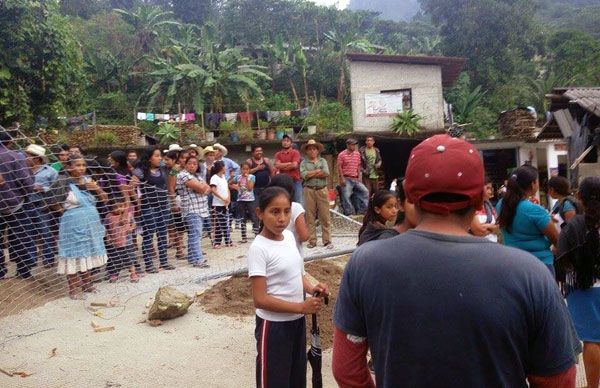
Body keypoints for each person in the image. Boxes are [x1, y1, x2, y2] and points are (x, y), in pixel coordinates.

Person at [332, 134, 580, 387]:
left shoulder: (365, 263)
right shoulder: (530, 273)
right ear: (478, 198)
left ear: (411, 197)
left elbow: (347, 371)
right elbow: (557, 379)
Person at [247, 186, 329, 388]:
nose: (282, 218)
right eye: (274, 212)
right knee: (274, 382)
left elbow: (297, 274)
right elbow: (260, 299)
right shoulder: (259, 248)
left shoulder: (290, 238)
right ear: (260, 213)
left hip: (297, 323)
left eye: (286, 211)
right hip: (274, 326)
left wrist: (313, 288)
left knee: (296, 379)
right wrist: (301, 307)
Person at [557, 176, 600, 388]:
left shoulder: (573, 225)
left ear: (580, 198)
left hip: (583, 289)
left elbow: (562, 256)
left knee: (592, 340)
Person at [55, 155, 108, 299]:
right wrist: (67, 213)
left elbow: (105, 199)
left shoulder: (89, 181)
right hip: (72, 224)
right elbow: (52, 202)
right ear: (69, 167)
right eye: (77, 165)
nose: (81, 168)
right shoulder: (63, 182)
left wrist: (97, 189)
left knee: (88, 252)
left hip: (91, 224)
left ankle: (87, 284)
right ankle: (73, 289)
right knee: (73, 254)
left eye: (83, 165)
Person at [497, 165, 559, 275]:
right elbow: (556, 240)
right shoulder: (534, 210)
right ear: (532, 184)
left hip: (512, 263)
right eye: (537, 181)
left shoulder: (501, 205)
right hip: (540, 264)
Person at [131, 147, 175, 273]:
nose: (160, 158)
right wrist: (138, 202)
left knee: (162, 235)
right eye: (156, 155)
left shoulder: (162, 169)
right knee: (148, 236)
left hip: (163, 206)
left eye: (160, 155)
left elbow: (173, 175)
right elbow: (130, 187)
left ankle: (164, 262)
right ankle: (149, 265)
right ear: (149, 158)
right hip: (149, 208)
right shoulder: (140, 171)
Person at [0, 130, 37, 279]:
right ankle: (24, 270)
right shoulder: (16, 157)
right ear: (9, 142)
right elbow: (27, 183)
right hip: (17, 204)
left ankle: (0, 271)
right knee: (22, 237)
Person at [24, 144, 58, 267]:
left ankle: (48, 259)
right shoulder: (22, 170)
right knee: (29, 232)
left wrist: (42, 188)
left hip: (43, 206)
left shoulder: (50, 172)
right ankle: (31, 260)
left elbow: (57, 189)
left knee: (45, 232)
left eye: (27, 156)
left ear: (37, 158)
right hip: (26, 205)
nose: (25, 158)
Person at [177, 155, 211, 267]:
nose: (192, 165)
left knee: (195, 234)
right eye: (190, 163)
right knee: (195, 234)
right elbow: (202, 188)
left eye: (195, 164)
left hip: (201, 209)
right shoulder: (183, 175)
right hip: (191, 209)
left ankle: (192, 258)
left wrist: (201, 189)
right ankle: (198, 260)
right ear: (185, 164)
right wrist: (201, 189)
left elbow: (208, 189)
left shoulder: (197, 176)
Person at [300, 139, 333, 249]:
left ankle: (327, 241)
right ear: (307, 151)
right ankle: (312, 240)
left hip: (321, 189)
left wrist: (311, 174)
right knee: (310, 216)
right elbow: (304, 175)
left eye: (314, 149)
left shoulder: (322, 161)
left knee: (325, 215)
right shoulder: (304, 163)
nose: (312, 151)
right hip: (308, 190)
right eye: (310, 149)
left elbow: (326, 173)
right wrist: (317, 171)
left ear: (317, 151)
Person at [268, 174, 309, 255]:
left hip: (272, 253)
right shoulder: (295, 207)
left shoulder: (267, 208)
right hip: (292, 254)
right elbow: (303, 236)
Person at [105, 199, 138, 283]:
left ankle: (133, 274)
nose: (118, 209)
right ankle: (114, 274)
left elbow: (134, 223)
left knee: (129, 258)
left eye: (120, 206)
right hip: (114, 242)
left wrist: (131, 228)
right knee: (115, 259)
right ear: (111, 208)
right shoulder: (108, 216)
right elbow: (106, 228)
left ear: (124, 206)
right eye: (115, 207)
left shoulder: (128, 215)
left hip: (127, 242)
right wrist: (108, 236)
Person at [164, 150, 186, 261]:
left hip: (186, 200)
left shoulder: (186, 169)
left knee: (183, 227)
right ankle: (179, 250)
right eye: (182, 158)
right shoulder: (174, 170)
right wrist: (173, 202)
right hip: (177, 199)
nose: (184, 160)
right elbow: (171, 188)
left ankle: (182, 247)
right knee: (178, 225)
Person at [337, 138, 369, 216]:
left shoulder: (357, 154)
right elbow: (339, 167)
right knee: (346, 196)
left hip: (355, 178)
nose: (354, 146)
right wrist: (342, 178)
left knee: (365, 192)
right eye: (352, 145)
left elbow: (358, 165)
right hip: (346, 178)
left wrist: (359, 177)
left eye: (355, 145)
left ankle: (362, 211)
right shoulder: (342, 154)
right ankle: (349, 213)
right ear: (348, 145)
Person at [231, 162, 259, 243]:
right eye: (243, 169)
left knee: (253, 217)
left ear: (249, 170)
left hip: (250, 200)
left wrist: (247, 179)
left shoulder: (252, 177)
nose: (245, 171)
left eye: (247, 169)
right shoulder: (238, 177)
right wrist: (235, 187)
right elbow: (229, 183)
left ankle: (257, 235)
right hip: (241, 200)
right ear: (241, 169)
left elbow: (250, 188)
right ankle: (244, 237)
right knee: (242, 218)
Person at [274, 134, 303, 204]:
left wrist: (282, 165)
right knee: (285, 202)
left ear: (291, 143)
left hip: (295, 181)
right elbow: (277, 166)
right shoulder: (278, 154)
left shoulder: (295, 152)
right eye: (284, 140)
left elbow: (295, 165)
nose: (285, 142)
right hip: (283, 182)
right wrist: (289, 163)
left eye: (288, 141)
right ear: (282, 142)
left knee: (299, 201)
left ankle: (300, 215)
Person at [210, 161, 232, 248]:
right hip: (217, 204)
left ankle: (228, 241)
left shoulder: (223, 177)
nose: (225, 168)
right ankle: (217, 242)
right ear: (221, 167)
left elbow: (227, 189)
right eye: (224, 166)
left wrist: (228, 198)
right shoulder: (214, 178)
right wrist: (223, 198)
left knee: (226, 222)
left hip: (225, 204)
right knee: (219, 224)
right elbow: (213, 190)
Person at [471, 176, 499, 242]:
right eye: (487, 188)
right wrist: (493, 229)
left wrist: (484, 226)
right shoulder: (472, 207)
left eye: (491, 188)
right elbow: (478, 231)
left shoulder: (489, 206)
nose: (490, 191)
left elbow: (498, 227)